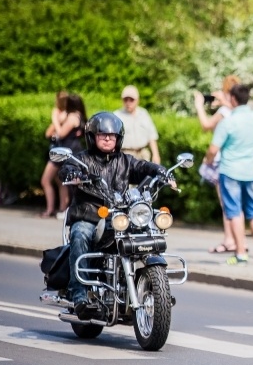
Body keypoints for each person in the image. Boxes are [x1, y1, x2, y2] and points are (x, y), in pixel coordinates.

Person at [58, 112, 171, 319]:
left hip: (119, 217)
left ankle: (155, 289)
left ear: (119, 138)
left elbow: (143, 167)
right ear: (92, 137)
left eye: (112, 135)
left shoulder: (125, 161)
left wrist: (160, 171)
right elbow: (67, 168)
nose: (108, 138)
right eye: (103, 135)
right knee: (80, 234)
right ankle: (79, 294)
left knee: (147, 233)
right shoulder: (82, 159)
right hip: (89, 216)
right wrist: (72, 173)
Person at [203, 84, 253, 265]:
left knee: (235, 212)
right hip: (250, 171)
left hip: (230, 171)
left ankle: (241, 254)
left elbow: (213, 149)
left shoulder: (228, 122)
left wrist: (207, 161)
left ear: (232, 98)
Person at [193, 75, 241, 254]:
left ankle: (230, 240)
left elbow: (206, 125)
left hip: (222, 160)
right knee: (235, 203)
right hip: (238, 161)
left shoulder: (224, 111)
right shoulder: (239, 112)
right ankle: (237, 240)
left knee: (226, 202)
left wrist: (199, 105)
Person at [41, 92, 87, 219]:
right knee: (61, 181)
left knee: (46, 180)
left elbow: (61, 134)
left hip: (64, 152)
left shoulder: (73, 116)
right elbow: (49, 133)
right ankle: (62, 209)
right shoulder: (76, 115)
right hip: (66, 151)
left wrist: (55, 118)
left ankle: (52, 209)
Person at [113, 85, 160, 164]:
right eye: (126, 100)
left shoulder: (143, 113)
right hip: (125, 156)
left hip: (143, 155)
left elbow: (151, 136)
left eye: (131, 100)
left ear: (137, 100)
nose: (128, 102)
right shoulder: (116, 116)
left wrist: (156, 154)